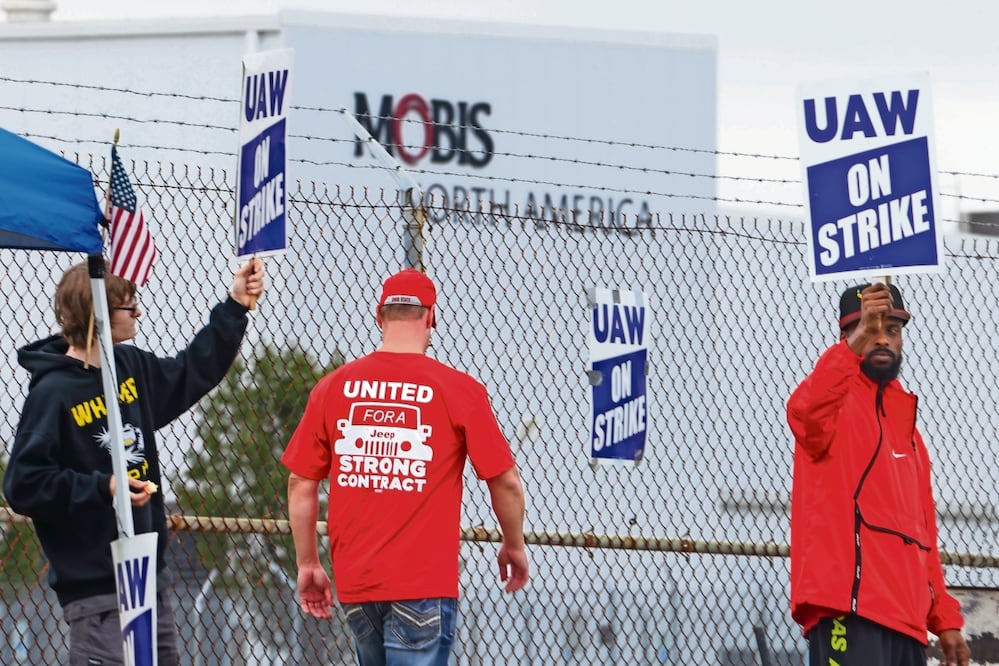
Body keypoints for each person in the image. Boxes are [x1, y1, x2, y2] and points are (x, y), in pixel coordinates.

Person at [3, 258, 265, 665]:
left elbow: (191, 370)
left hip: (144, 577)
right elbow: (23, 484)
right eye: (129, 306)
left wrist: (234, 306)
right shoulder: (52, 391)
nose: (138, 312)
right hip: (97, 590)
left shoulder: (129, 367)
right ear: (99, 316)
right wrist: (104, 486)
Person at [282, 268, 529, 666]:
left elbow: (300, 483)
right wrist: (513, 544)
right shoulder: (459, 390)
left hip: (357, 585)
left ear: (379, 317)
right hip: (423, 584)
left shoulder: (333, 387)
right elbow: (506, 482)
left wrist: (308, 562)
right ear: (430, 318)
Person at [786, 282, 971, 666]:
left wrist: (944, 618)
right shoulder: (832, 401)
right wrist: (858, 341)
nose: (881, 339)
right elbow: (804, 413)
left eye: (892, 330)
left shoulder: (908, 426)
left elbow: (922, 534)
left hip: (907, 622)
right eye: (870, 329)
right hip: (847, 610)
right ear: (845, 337)